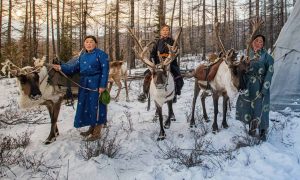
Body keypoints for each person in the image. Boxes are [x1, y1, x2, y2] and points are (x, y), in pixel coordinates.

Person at [53, 35, 109, 141]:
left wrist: (102, 85)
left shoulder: (101, 55)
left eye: (91, 42)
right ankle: (91, 128)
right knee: (88, 106)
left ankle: (97, 133)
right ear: (84, 44)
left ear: (95, 43)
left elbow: (105, 71)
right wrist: (60, 67)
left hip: (96, 83)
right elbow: (73, 68)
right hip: (84, 84)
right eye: (87, 42)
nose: (89, 44)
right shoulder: (82, 56)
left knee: (96, 106)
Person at [236, 34, 274, 141]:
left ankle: (262, 130)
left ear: (263, 45)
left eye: (261, 42)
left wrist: (264, 89)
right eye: (256, 41)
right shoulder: (248, 56)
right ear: (252, 42)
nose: (259, 43)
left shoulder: (268, 57)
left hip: (260, 86)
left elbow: (269, 74)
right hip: (249, 86)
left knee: (261, 108)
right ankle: (252, 127)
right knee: (249, 107)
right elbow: (243, 71)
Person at [137, 24, 184, 103]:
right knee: (147, 75)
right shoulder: (157, 42)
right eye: (163, 30)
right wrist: (152, 62)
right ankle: (145, 93)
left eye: (167, 30)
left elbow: (176, 52)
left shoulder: (172, 41)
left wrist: (170, 59)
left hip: (170, 63)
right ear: (161, 32)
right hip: (158, 65)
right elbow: (152, 53)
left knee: (178, 77)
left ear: (169, 32)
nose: (165, 32)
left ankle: (175, 93)